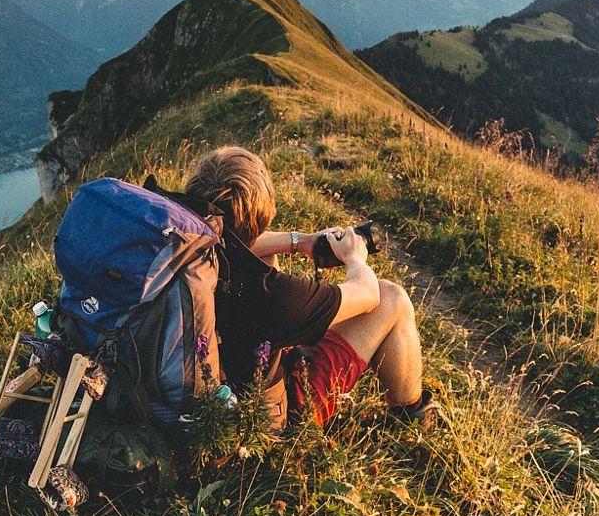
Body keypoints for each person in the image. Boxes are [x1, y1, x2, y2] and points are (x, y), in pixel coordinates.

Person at [179, 145, 433, 430]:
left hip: (203, 382)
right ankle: (415, 414)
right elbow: (368, 294)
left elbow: (237, 241)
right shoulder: (274, 295)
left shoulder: (185, 249)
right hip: (273, 415)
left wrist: (301, 241)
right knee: (393, 298)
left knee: (265, 256)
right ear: (265, 216)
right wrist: (354, 256)